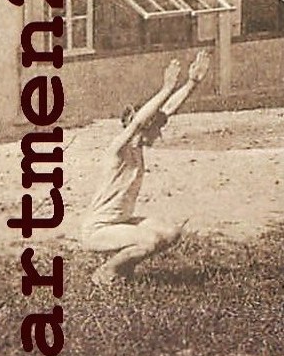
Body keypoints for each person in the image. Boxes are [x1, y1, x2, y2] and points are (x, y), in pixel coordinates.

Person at [81, 50, 209, 286]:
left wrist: (192, 83)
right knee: (149, 241)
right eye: (156, 129)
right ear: (142, 128)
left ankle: (124, 269)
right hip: (98, 230)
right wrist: (165, 88)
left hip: (121, 222)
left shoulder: (138, 149)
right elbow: (140, 121)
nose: (159, 134)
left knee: (170, 231)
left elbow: (165, 111)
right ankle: (105, 273)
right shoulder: (119, 149)